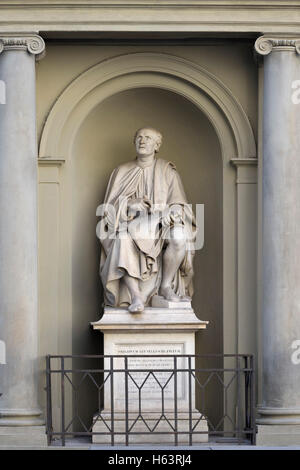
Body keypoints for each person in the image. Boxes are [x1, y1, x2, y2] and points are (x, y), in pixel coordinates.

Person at [98, 127, 196, 313]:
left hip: (161, 226)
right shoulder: (121, 171)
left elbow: (180, 204)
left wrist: (170, 213)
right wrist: (128, 204)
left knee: (179, 236)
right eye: (139, 137)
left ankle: (165, 286)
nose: (142, 141)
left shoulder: (167, 171)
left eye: (148, 138)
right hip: (130, 225)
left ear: (157, 145)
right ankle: (136, 296)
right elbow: (108, 211)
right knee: (122, 238)